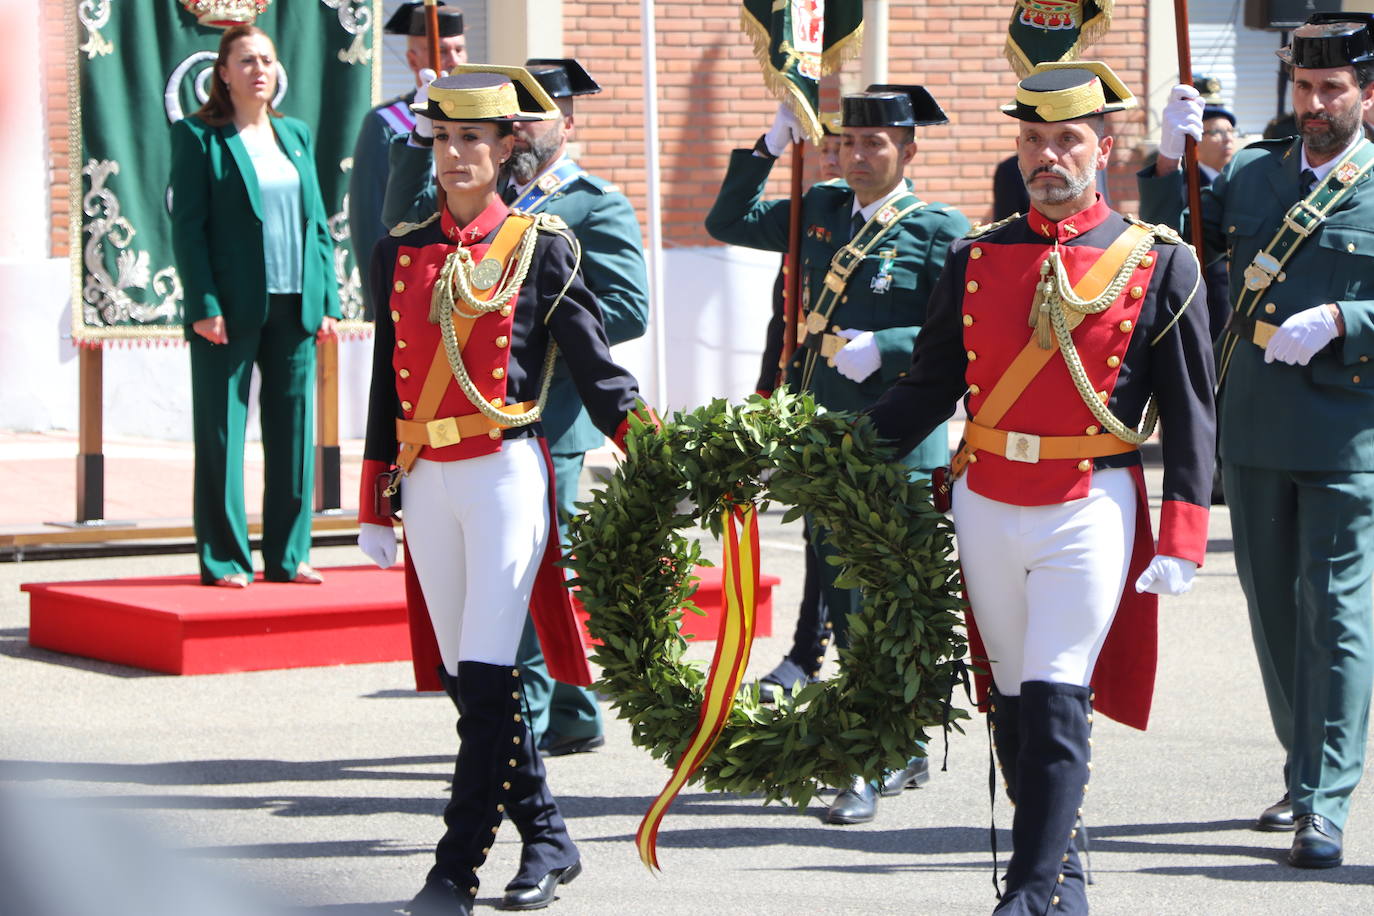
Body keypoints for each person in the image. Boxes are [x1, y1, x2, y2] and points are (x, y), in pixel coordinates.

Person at [867, 61, 1214, 913]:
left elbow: (1194, 411)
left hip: (1089, 501)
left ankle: (1024, 895)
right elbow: (930, 383)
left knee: (1060, 693)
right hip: (987, 499)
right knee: (1014, 706)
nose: (1046, 157)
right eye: (1032, 140)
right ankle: (1064, 883)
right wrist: (833, 453)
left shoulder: (1159, 263)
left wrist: (1182, 536)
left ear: (1103, 150)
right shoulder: (977, 255)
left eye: (1066, 140)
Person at [354, 69, 650, 916]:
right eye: (442, 140)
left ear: (504, 148)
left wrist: (663, 454)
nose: (454, 156)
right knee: (467, 682)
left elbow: (600, 373)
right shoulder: (400, 251)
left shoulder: (539, 244)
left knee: (488, 679)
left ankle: (454, 871)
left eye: (472, 141)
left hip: (503, 475)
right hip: (426, 480)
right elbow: (388, 385)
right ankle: (549, 834)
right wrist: (375, 496)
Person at [1139, 13, 1374, 870]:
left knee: (1338, 618)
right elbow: (1167, 246)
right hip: (1254, 432)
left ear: (1366, 96)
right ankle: (1303, 767)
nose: (1315, 105)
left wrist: (1350, 318)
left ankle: (1327, 800)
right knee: (1276, 619)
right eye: (1305, 90)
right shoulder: (1249, 175)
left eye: (1331, 90)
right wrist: (1169, 163)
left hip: (1351, 435)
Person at [706, 85, 970, 825]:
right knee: (848, 606)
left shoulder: (939, 231)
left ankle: (878, 752)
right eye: (846, 144)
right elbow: (725, 220)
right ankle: (890, 743)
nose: (856, 157)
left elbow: (966, 335)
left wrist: (886, 347)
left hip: (898, 445)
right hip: (825, 439)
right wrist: (765, 149)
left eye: (874, 144)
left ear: (908, 152)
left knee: (889, 604)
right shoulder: (817, 209)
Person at [169, 24, 340, 588]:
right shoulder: (200, 138)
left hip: (297, 305)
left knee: (293, 435)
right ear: (222, 73)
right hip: (228, 309)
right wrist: (203, 302)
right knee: (222, 431)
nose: (258, 70)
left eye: (265, 59)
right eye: (245, 61)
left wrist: (329, 299)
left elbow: (316, 223)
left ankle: (290, 556)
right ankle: (224, 558)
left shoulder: (296, 134)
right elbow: (188, 228)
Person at [751, 111, 844, 708]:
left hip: (856, 401)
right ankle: (807, 653)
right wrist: (767, 394)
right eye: (829, 149)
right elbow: (782, 320)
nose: (836, 160)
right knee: (815, 533)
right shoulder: (811, 218)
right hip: (803, 394)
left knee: (832, 537)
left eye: (848, 148)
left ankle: (809, 653)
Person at [347, 0, 465, 319]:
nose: (452, 61)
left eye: (459, 50)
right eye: (442, 51)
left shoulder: (480, 124)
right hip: (411, 283)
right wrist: (382, 298)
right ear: (414, 59)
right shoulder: (386, 123)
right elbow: (371, 218)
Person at [1138, 74, 1237, 339]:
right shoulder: (1183, 185)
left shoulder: (1240, 182)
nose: (1227, 139)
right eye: (1216, 132)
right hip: (1201, 305)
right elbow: (1162, 231)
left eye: (1230, 131)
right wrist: (1169, 157)